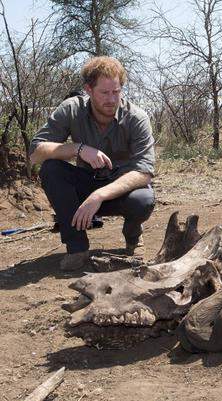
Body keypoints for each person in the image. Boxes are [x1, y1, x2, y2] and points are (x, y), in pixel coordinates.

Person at [29, 56, 155, 271]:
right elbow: (35, 153)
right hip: (85, 182)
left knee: (143, 199)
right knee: (51, 169)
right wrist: (78, 149)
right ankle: (77, 248)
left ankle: (133, 236)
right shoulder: (71, 109)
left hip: (118, 188)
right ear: (88, 89)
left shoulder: (137, 117)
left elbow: (144, 172)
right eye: (104, 93)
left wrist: (98, 196)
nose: (111, 99)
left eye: (116, 92)